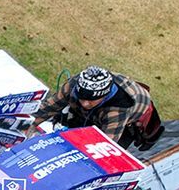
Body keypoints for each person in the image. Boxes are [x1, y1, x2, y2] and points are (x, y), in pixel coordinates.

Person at [33, 65, 163, 151]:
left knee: (107, 156)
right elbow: (46, 109)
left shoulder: (117, 109)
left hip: (129, 119)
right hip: (98, 112)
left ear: (104, 96)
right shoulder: (73, 85)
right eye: (81, 98)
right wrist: (22, 127)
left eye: (90, 100)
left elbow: (104, 146)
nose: (85, 104)